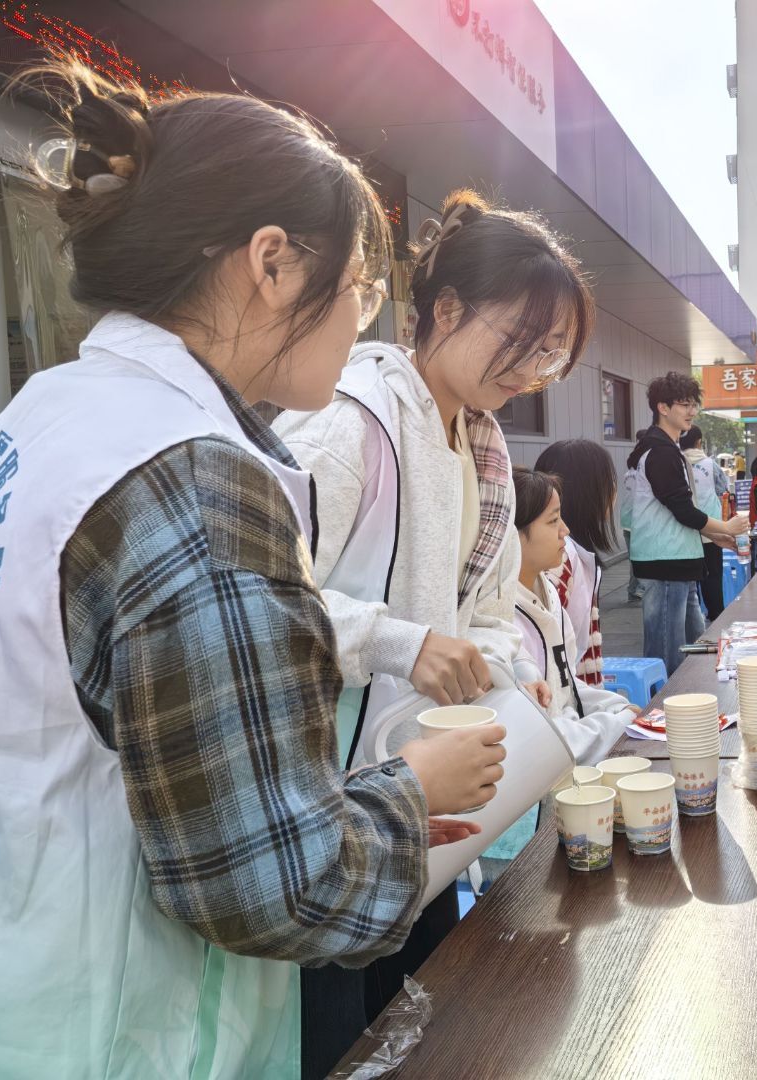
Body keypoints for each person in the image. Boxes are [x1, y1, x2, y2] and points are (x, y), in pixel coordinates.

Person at [0, 61, 508, 1079]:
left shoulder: (22, 432)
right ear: (272, 263)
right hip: (129, 1037)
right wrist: (411, 791)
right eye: (359, 287)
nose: (362, 317)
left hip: (3, 1008)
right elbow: (276, 884)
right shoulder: (190, 478)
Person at [275, 185, 588, 1057]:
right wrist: (403, 644)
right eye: (521, 339)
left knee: (424, 1013)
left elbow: (485, 605)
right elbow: (261, 599)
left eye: (551, 354)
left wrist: (496, 672)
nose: (531, 370)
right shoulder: (348, 423)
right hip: (330, 801)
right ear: (445, 310)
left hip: (421, 792)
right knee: (342, 1027)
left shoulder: (478, 445)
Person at [511, 468, 638, 763]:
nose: (564, 531)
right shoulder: (501, 621)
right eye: (553, 520)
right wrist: (618, 721)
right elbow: (543, 736)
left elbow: (565, 684)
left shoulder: (547, 592)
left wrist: (619, 707)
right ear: (510, 533)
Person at [625, 372, 747, 674]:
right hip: (666, 560)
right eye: (684, 404)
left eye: (694, 404)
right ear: (663, 407)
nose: (692, 411)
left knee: (692, 642)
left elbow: (678, 510)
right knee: (668, 651)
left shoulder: (664, 448)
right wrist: (726, 528)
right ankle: (667, 700)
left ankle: (693, 690)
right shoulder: (661, 452)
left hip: (676, 557)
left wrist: (713, 536)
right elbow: (682, 509)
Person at [535, 439, 618, 685]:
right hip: (568, 696)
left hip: (579, 694)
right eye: (608, 483)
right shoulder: (561, 557)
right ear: (588, 491)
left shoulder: (573, 553)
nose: (614, 491)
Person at [682, 424, 733, 620]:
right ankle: (716, 614)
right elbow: (723, 489)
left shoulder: (676, 462)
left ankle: (694, 618)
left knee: (691, 578)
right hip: (712, 528)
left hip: (686, 528)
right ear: (699, 442)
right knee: (713, 575)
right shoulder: (711, 465)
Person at [623, 428, 649, 602]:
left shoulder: (629, 472)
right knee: (640, 558)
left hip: (627, 521)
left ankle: (634, 590)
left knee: (635, 558)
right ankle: (635, 590)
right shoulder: (644, 472)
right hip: (638, 521)